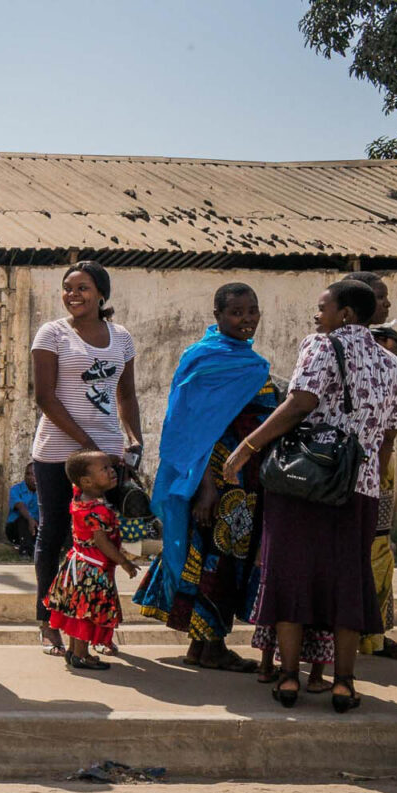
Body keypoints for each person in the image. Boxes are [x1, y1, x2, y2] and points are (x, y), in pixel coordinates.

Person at [224, 279, 397, 714]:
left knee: (291, 576)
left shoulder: (321, 345)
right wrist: (372, 477)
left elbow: (301, 402)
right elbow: (388, 433)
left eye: (322, 306)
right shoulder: (394, 365)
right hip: (358, 488)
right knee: (348, 581)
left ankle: (289, 677)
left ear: (345, 314)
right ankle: (344, 683)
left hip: (305, 482)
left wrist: (247, 447)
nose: (315, 314)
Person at [135, 283, 278, 671]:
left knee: (223, 560)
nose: (246, 319)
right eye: (236, 312)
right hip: (216, 483)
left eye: (252, 310)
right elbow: (190, 431)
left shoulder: (251, 362)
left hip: (243, 484)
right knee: (217, 561)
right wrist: (206, 488)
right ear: (216, 317)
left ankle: (202, 647)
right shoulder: (204, 360)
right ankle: (212, 647)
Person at [30, 261, 142, 656]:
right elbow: (44, 397)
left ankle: (98, 625)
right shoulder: (52, 334)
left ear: (101, 294)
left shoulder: (122, 338)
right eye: (68, 288)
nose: (73, 295)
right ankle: (48, 621)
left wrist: (133, 442)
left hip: (107, 455)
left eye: (83, 288)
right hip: (58, 454)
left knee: (102, 541)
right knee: (56, 534)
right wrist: (88, 446)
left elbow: (126, 396)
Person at [46, 450, 139, 672]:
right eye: (105, 469)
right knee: (87, 614)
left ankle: (72, 651)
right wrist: (124, 561)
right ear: (87, 481)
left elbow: (76, 478)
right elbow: (102, 543)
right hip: (92, 571)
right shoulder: (97, 510)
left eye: (110, 467)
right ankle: (81, 655)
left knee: (76, 611)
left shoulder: (81, 497)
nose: (111, 471)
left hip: (77, 565)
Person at [363, 325, 397, 660]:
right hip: (350, 472)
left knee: (380, 551)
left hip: (382, 474)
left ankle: (376, 636)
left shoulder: (395, 380)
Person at [4, 462, 40, 558]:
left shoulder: (43, 490)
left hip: (37, 527)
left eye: (35, 475)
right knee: (24, 519)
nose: (31, 478)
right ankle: (25, 551)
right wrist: (30, 519)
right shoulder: (16, 489)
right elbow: (20, 506)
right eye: (28, 474)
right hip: (15, 529)